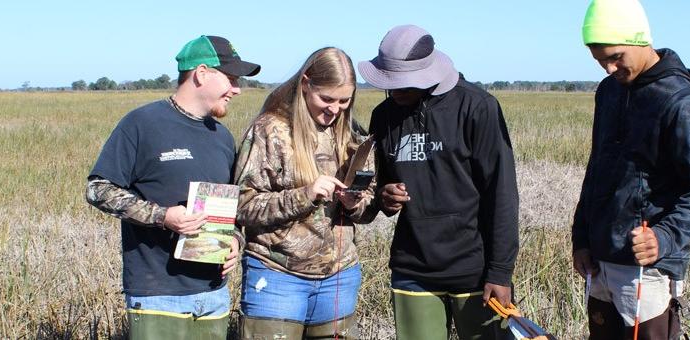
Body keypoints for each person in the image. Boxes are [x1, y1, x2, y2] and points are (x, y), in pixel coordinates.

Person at [85, 35, 260, 339]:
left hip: (214, 294)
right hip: (158, 293)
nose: (237, 88)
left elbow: (229, 207)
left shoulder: (222, 136)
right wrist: (163, 216)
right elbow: (98, 189)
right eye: (230, 78)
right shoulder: (142, 123)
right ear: (202, 73)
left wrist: (235, 240)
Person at [358, 25, 519, 340]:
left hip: (475, 272)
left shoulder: (477, 106)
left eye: (402, 83)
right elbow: (383, 187)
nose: (394, 91)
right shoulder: (383, 116)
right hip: (412, 270)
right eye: (388, 83)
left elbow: (501, 193)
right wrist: (384, 196)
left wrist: (500, 271)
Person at [571, 0, 690, 338]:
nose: (608, 68)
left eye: (615, 57)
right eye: (599, 60)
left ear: (640, 40)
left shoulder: (682, 103)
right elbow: (596, 171)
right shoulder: (608, 92)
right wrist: (581, 239)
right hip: (599, 262)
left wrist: (663, 238)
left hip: (646, 271)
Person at [233, 47, 377, 339]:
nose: (334, 109)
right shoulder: (269, 131)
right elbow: (242, 205)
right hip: (275, 277)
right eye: (326, 99)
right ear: (305, 84)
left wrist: (354, 203)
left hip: (339, 278)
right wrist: (305, 195)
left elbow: (368, 202)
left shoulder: (352, 134)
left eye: (344, 101)